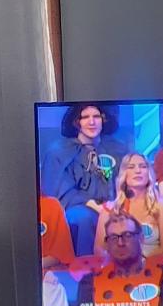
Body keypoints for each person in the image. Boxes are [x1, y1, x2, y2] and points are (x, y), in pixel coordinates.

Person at [38, 103, 127, 254]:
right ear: (76, 122)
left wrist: (118, 201)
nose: (91, 122)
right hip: (78, 206)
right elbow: (59, 190)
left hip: (115, 203)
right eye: (85, 117)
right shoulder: (58, 152)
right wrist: (94, 205)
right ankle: (85, 271)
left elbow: (127, 179)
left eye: (96, 116)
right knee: (83, 218)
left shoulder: (118, 149)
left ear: (103, 119)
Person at [94, 152, 163, 261]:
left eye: (143, 166)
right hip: (118, 269)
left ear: (149, 173)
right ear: (124, 174)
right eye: (131, 167)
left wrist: (140, 263)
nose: (138, 171)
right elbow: (99, 249)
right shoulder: (109, 210)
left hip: (153, 268)